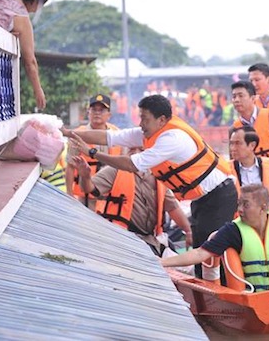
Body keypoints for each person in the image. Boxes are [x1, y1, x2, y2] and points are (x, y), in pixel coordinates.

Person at [65, 94, 237, 275]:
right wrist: (68, 133)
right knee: (203, 255)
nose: (141, 124)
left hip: (218, 197)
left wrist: (92, 153)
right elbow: (110, 137)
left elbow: (132, 164)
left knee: (212, 252)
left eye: (144, 119)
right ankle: (208, 292)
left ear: (161, 120)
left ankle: (224, 293)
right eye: (140, 118)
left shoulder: (172, 139)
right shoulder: (149, 133)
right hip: (201, 199)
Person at [161, 184, 269, 292]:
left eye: (246, 204)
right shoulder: (233, 231)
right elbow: (199, 254)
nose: (240, 209)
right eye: (239, 204)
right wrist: (161, 263)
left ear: (263, 207)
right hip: (258, 301)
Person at [68, 150, 192, 256]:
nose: (136, 152)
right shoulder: (114, 171)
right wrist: (85, 177)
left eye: (140, 148)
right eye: (132, 148)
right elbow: (89, 189)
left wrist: (188, 231)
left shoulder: (157, 175)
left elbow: (173, 208)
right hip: (119, 238)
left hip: (149, 239)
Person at [70, 94, 123, 207]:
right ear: (88, 112)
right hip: (85, 197)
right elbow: (70, 166)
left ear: (109, 114)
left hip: (110, 196)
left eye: (102, 110)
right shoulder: (78, 135)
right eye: (94, 109)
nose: (97, 113)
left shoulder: (118, 134)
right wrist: (69, 194)